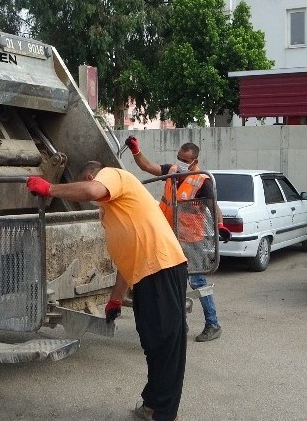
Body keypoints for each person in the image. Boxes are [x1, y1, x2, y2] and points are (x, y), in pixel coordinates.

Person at [26, 162, 187, 421]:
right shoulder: (115, 212)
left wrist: (50, 189)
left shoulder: (112, 175)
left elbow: (90, 190)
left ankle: (164, 413)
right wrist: (115, 298)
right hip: (147, 274)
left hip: (161, 267)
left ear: (92, 176)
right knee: (153, 343)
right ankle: (154, 404)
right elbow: (126, 257)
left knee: (166, 344)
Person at [124, 136, 230, 343]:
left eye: (184, 160)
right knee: (175, 283)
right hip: (169, 237)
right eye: (178, 157)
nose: (180, 162)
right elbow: (146, 166)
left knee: (198, 281)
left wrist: (220, 225)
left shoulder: (201, 181)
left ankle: (213, 324)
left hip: (192, 239)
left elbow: (214, 206)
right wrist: (136, 150)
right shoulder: (172, 171)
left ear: (194, 161)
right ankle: (181, 322)